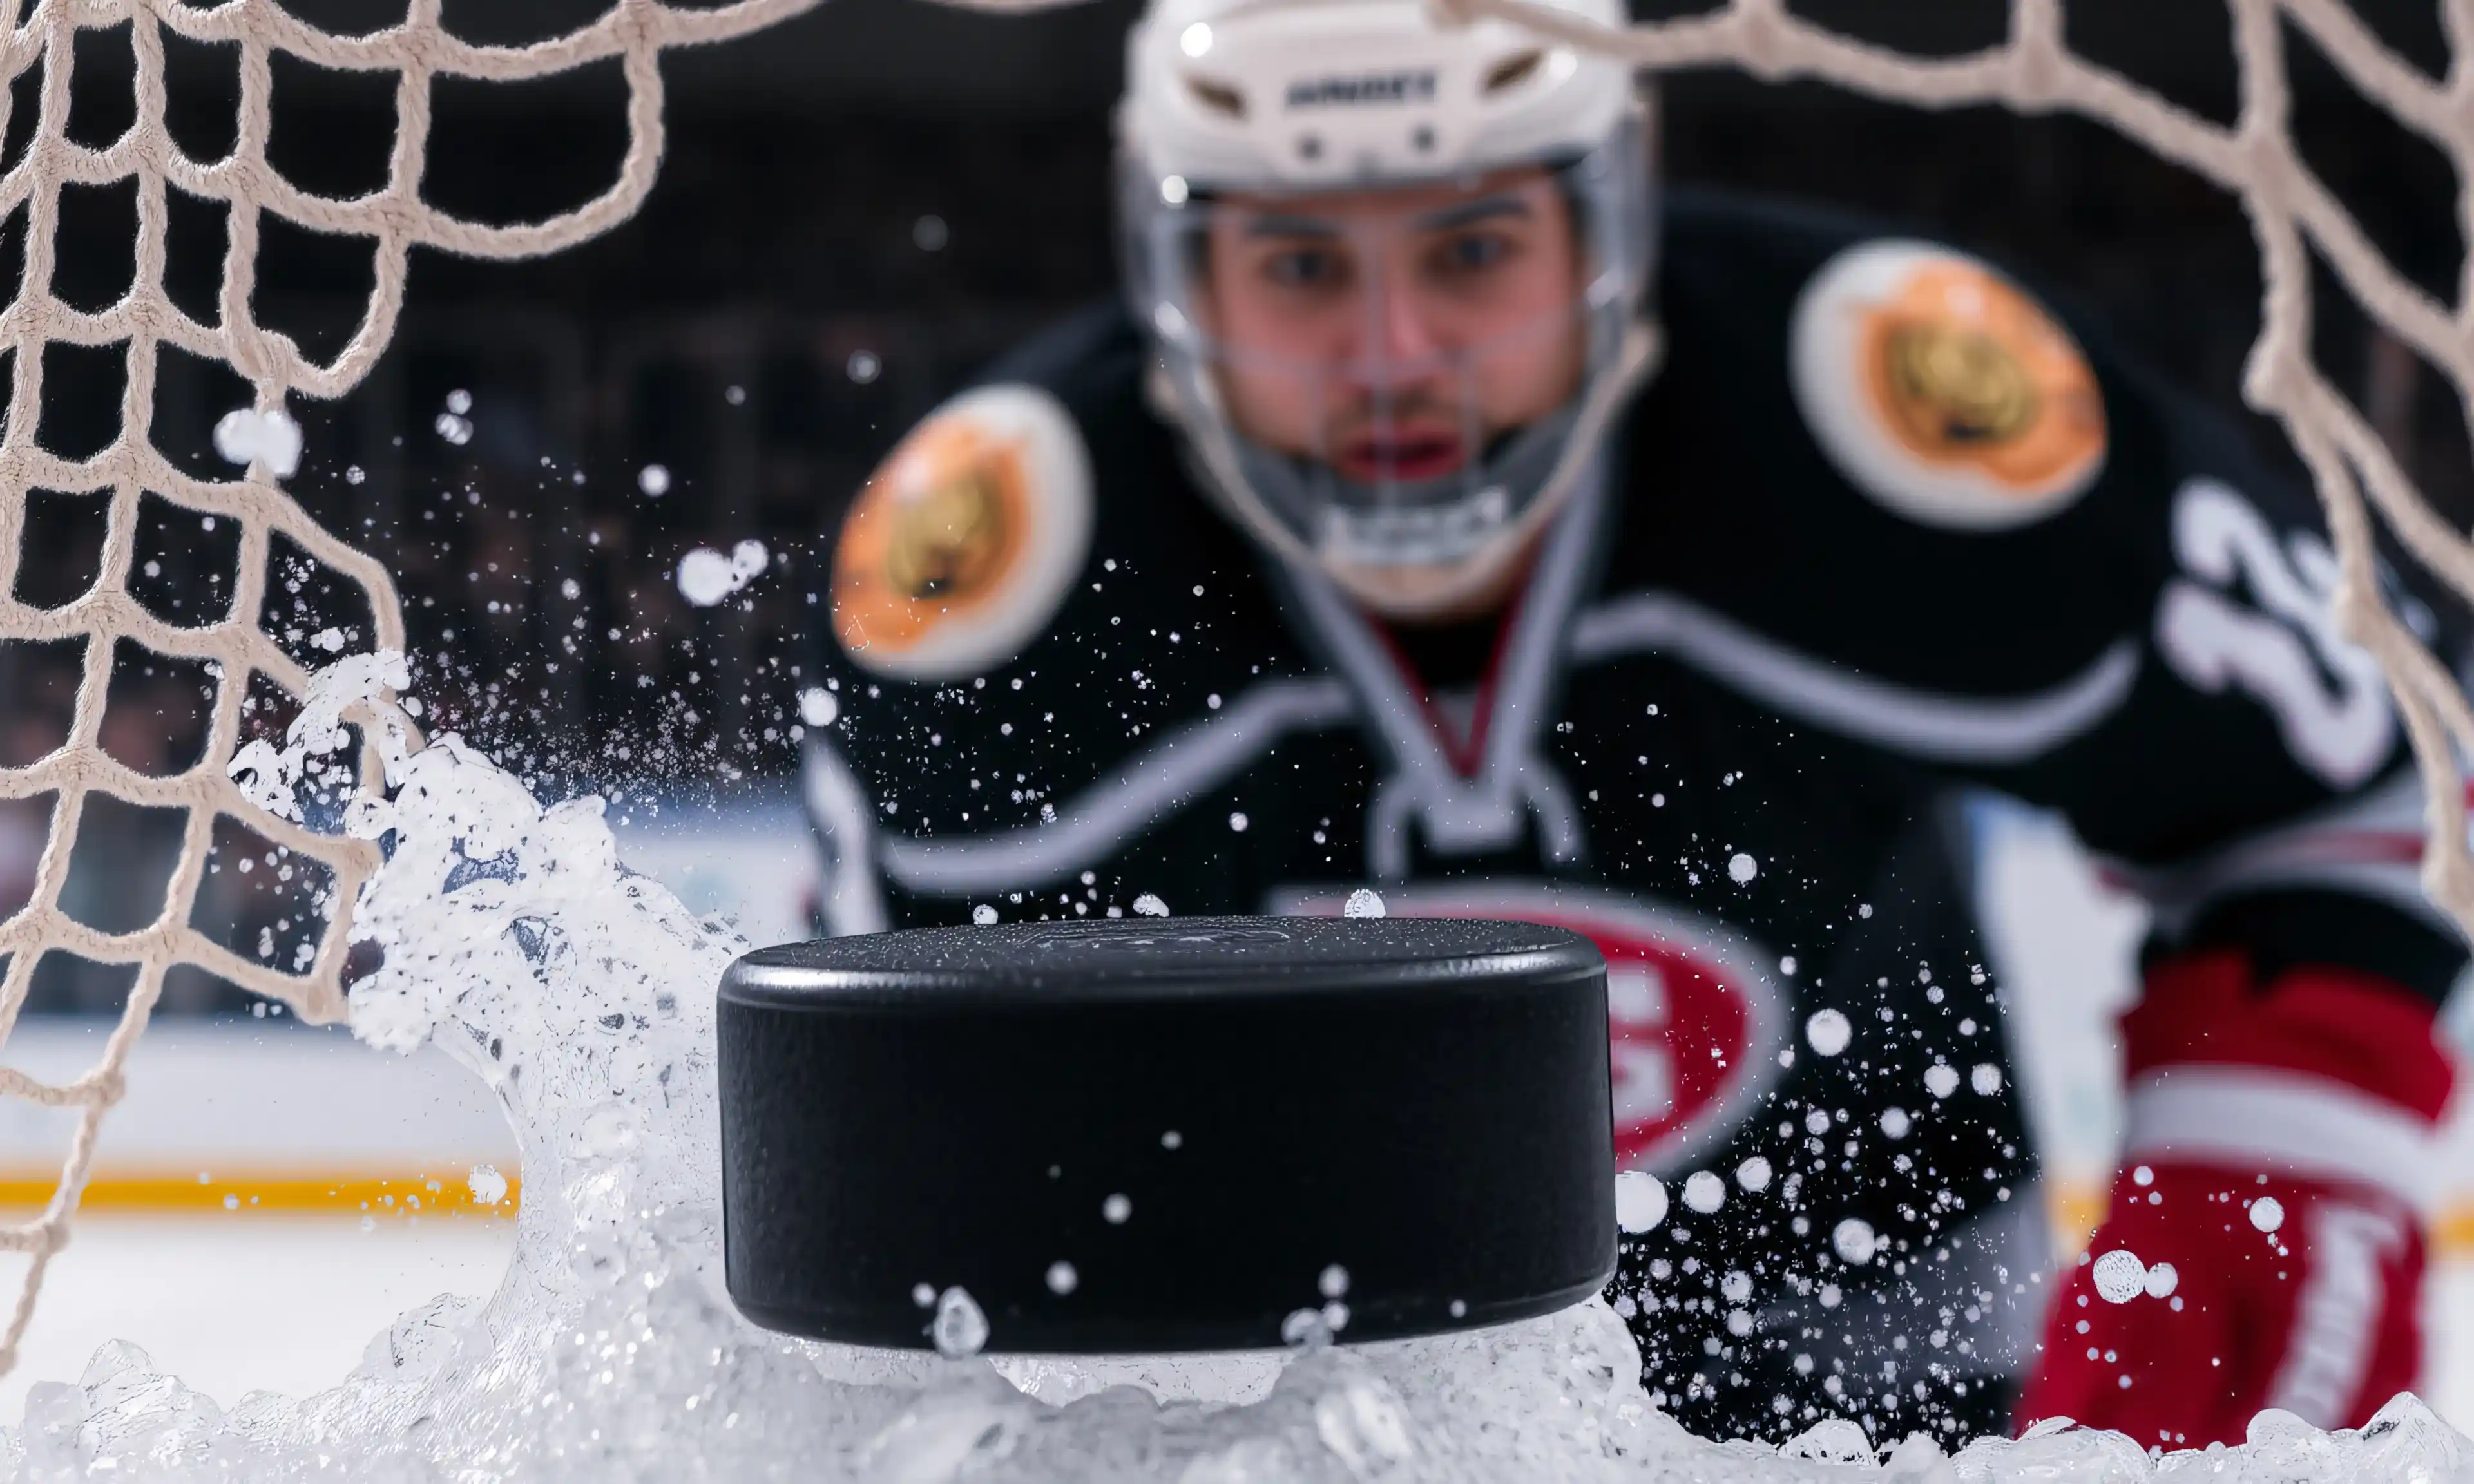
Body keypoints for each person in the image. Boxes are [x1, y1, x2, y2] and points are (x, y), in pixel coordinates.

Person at [796, 0, 2463, 1448]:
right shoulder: (1014, 610)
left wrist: (2255, 1209)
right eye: (1300, 263)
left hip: (1893, 1347)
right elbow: (885, 1180)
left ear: (1605, 224)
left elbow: (2354, 778)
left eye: (1470, 250)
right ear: (1176, 270)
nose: (1395, 360)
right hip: (1324, 1409)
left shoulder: (1883, 453)